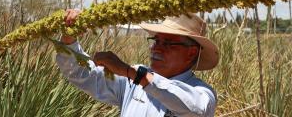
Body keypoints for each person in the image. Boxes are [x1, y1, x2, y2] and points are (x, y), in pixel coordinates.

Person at [57, 9, 220, 117]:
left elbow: (195, 109)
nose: (156, 48)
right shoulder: (132, 81)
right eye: (156, 40)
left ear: (191, 52)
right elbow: (83, 74)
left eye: (167, 43)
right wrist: (69, 39)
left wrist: (131, 73)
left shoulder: (203, 93)